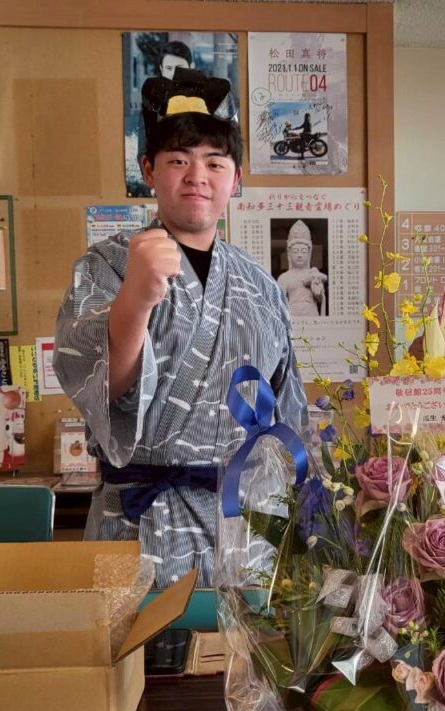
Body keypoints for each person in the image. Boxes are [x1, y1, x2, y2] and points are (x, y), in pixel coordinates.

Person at [55, 68, 306, 588]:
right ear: (148, 170)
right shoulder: (106, 266)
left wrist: (309, 508)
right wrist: (136, 298)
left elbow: (288, 412)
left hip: (243, 524)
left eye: (215, 162)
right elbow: (102, 387)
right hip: (137, 522)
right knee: (135, 643)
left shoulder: (260, 285)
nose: (197, 176)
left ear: (235, 179)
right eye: (178, 160)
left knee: (239, 643)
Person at [276, 219, 327, 317]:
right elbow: (279, 303)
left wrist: (317, 290)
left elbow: (320, 299)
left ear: (309, 253)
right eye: (295, 251)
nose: (299, 255)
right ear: (289, 253)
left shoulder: (313, 273)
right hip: (292, 314)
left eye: (303, 251)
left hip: (312, 314)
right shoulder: (284, 277)